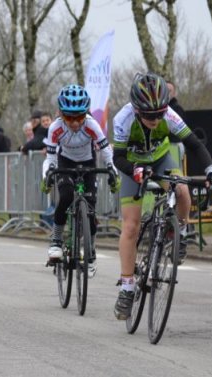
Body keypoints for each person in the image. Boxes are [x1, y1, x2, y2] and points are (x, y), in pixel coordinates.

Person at [111, 73, 212, 321]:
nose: (155, 119)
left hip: (160, 159)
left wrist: (211, 170)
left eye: (159, 114)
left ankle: (179, 232)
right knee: (131, 226)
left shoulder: (169, 115)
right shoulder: (123, 119)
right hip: (132, 165)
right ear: (136, 109)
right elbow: (117, 157)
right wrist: (135, 170)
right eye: (149, 115)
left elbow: (195, 144)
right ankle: (127, 287)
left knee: (181, 190)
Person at [40, 84, 119, 277]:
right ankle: (56, 240)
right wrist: (48, 174)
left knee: (90, 210)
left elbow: (105, 150)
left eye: (79, 117)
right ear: (61, 114)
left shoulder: (91, 125)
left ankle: (91, 253)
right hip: (65, 162)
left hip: (88, 162)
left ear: (86, 114)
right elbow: (51, 157)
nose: (75, 123)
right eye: (69, 118)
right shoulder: (55, 128)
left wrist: (112, 170)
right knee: (66, 196)